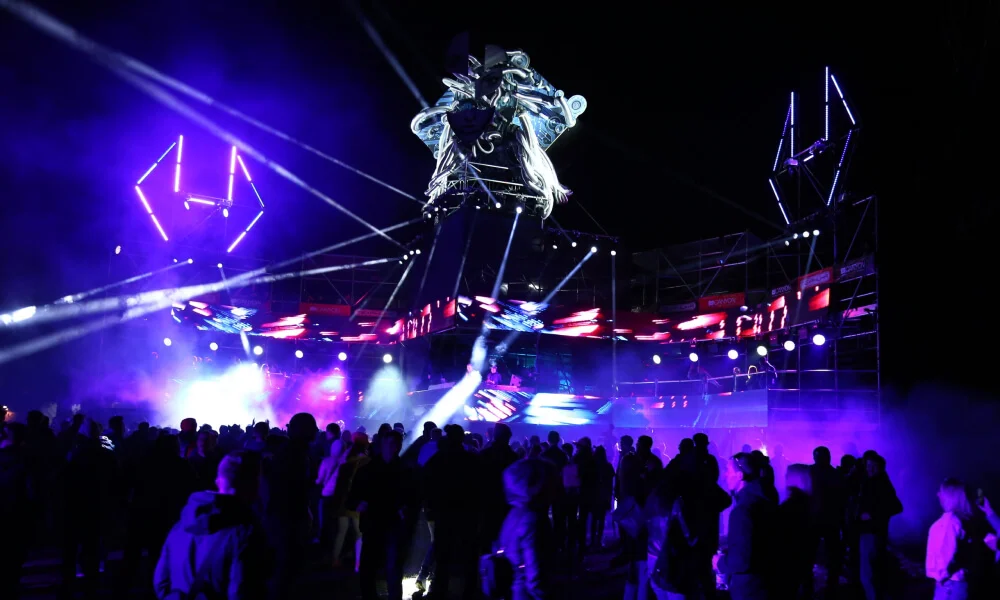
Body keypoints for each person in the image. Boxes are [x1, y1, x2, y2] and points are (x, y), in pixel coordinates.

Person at [154, 452, 268, 599]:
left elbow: (161, 582)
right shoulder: (245, 533)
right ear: (254, 485)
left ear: (218, 481)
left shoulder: (181, 524)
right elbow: (241, 592)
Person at [498, 459, 555, 600]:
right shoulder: (532, 519)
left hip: (514, 588)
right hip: (525, 593)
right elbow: (535, 572)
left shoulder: (515, 512)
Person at [925, 478, 975, 600]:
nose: (938, 494)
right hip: (957, 584)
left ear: (950, 496)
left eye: (941, 491)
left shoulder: (950, 522)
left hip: (949, 586)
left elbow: (946, 553)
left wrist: (940, 577)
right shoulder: (962, 520)